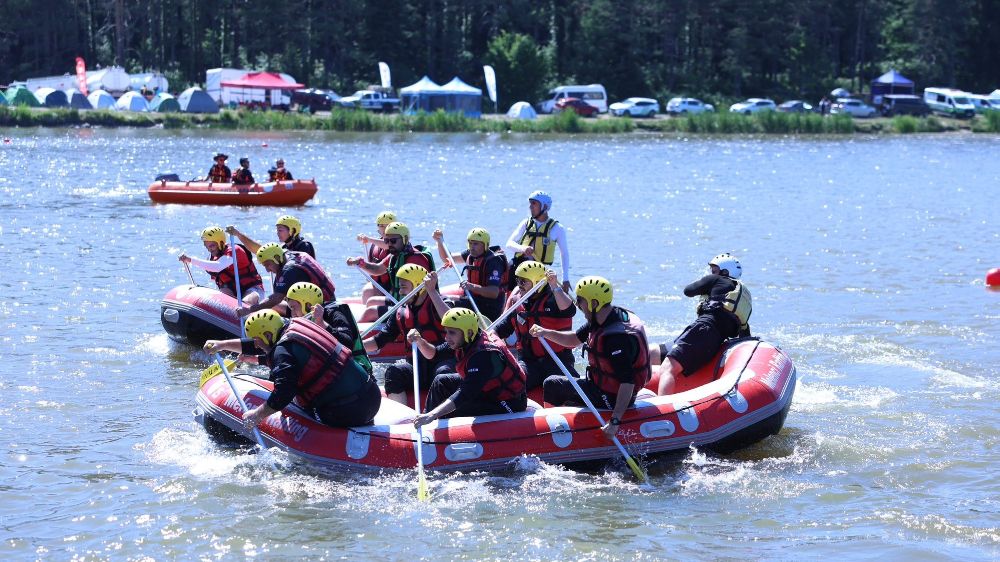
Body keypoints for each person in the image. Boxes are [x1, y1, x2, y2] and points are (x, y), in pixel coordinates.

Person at [205, 310, 381, 428]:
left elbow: (284, 393)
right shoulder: (295, 325)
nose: (256, 346)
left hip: (348, 410)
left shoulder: (283, 350)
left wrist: (257, 415)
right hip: (371, 396)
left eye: (257, 341)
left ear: (267, 335)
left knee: (293, 402)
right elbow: (295, 358)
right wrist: (222, 345)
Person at [531, 276, 650, 441]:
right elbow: (573, 340)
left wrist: (615, 421)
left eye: (580, 300)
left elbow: (627, 382)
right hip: (601, 387)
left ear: (594, 303)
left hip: (610, 397)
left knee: (552, 384)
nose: (578, 305)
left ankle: (551, 436)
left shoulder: (616, 339)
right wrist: (545, 333)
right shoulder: (602, 317)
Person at [650, 253, 752, 396]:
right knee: (652, 352)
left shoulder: (716, 280)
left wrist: (707, 284)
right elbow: (745, 332)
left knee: (668, 368)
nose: (711, 273)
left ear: (725, 271)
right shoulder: (740, 297)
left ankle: (661, 411)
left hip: (703, 329)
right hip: (712, 340)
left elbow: (688, 291)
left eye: (714, 270)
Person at [412, 308, 527, 427]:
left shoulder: (484, 355)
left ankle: (431, 426)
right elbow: (434, 354)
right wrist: (420, 341)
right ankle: (426, 427)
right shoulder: (466, 340)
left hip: (507, 402)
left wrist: (433, 415)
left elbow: (464, 394)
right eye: (446, 332)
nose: (446, 337)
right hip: (486, 391)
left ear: (469, 332)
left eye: (451, 332)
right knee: (441, 381)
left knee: (450, 411)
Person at [363, 265, 456, 405]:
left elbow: (452, 320)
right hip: (416, 365)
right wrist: (353, 347)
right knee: (393, 373)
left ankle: (440, 418)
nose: (400, 292)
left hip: (443, 361)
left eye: (404, 287)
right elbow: (380, 340)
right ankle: (404, 420)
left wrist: (431, 290)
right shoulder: (400, 312)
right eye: (399, 287)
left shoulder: (439, 303)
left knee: (443, 374)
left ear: (418, 286)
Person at [493, 261, 578, 389]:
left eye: (523, 282)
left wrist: (554, 285)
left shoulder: (554, 298)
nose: (519, 285)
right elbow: (502, 328)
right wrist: (490, 336)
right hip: (529, 362)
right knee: (509, 384)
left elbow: (570, 310)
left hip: (557, 361)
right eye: (518, 281)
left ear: (537, 282)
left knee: (566, 387)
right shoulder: (518, 302)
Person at [346, 222, 434, 321]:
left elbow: (425, 290)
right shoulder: (395, 255)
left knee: (370, 312)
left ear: (405, 239)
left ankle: (359, 334)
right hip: (397, 300)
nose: (389, 244)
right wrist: (360, 263)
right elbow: (378, 269)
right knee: (371, 301)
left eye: (393, 240)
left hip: (411, 307)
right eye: (386, 240)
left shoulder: (416, 259)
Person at [285, 282, 373, 375]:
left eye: (293, 308)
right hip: (334, 370)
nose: (292, 314)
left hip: (358, 369)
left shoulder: (335, 313)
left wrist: (322, 324)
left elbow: (347, 343)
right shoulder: (305, 322)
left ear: (307, 305)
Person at [237, 243, 336, 318]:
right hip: (323, 299)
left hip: (322, 307)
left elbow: (276, 299)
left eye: (268, 264)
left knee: (273, 305)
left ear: (276, 258)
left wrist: (250, 309)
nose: (267, 270)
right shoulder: (287, 255)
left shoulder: (289, 269)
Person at [432, 227, 508, 321]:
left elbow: (493, 293)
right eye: (470, 243)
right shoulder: (471, 254)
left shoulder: (494, 262)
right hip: (472, 300)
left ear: (485, 245)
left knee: (448, 302)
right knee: (440, 300)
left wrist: (471, 286)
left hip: (488, 307)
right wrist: (439, 241)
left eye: (476, 244)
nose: (472, 247)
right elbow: (447, 258)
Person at [178, 226, 264, 305]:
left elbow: (218, 266)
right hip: (232, 291)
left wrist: (190, 260)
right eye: (206, 246)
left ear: (221, 242)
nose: (209, 249)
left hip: (252, 288)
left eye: (212, 245)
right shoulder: (212, 259)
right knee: (221, 295)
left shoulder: (235, 251)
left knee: (247, 301)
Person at [505, 190, 571, 293]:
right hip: (520, 267)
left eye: (534, 203)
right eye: (530, 203)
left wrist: (565, 279)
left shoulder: (557, 228)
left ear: (544, 207)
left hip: (539, 271)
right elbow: (509, 243)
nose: (530, 206)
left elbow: (564, 254)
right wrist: (523, 249)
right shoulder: (526, 223)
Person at [226, 215, 316, 259]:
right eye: (277, 230)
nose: (277, 233)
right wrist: (238, 234)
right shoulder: (283, 248)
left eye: (280, 230)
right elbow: (260, 251)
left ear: (292, 231)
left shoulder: (304, 246)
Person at [356, 211, 397, 300]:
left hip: (393, 288)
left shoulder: (397, 244)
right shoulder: (375, 245)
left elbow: (387, 245)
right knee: (367, 291)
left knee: (370, 296)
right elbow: (371, 268)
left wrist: (368, 239)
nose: (384, 228)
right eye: (381, 225)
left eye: (387, 226)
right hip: (380, 285)